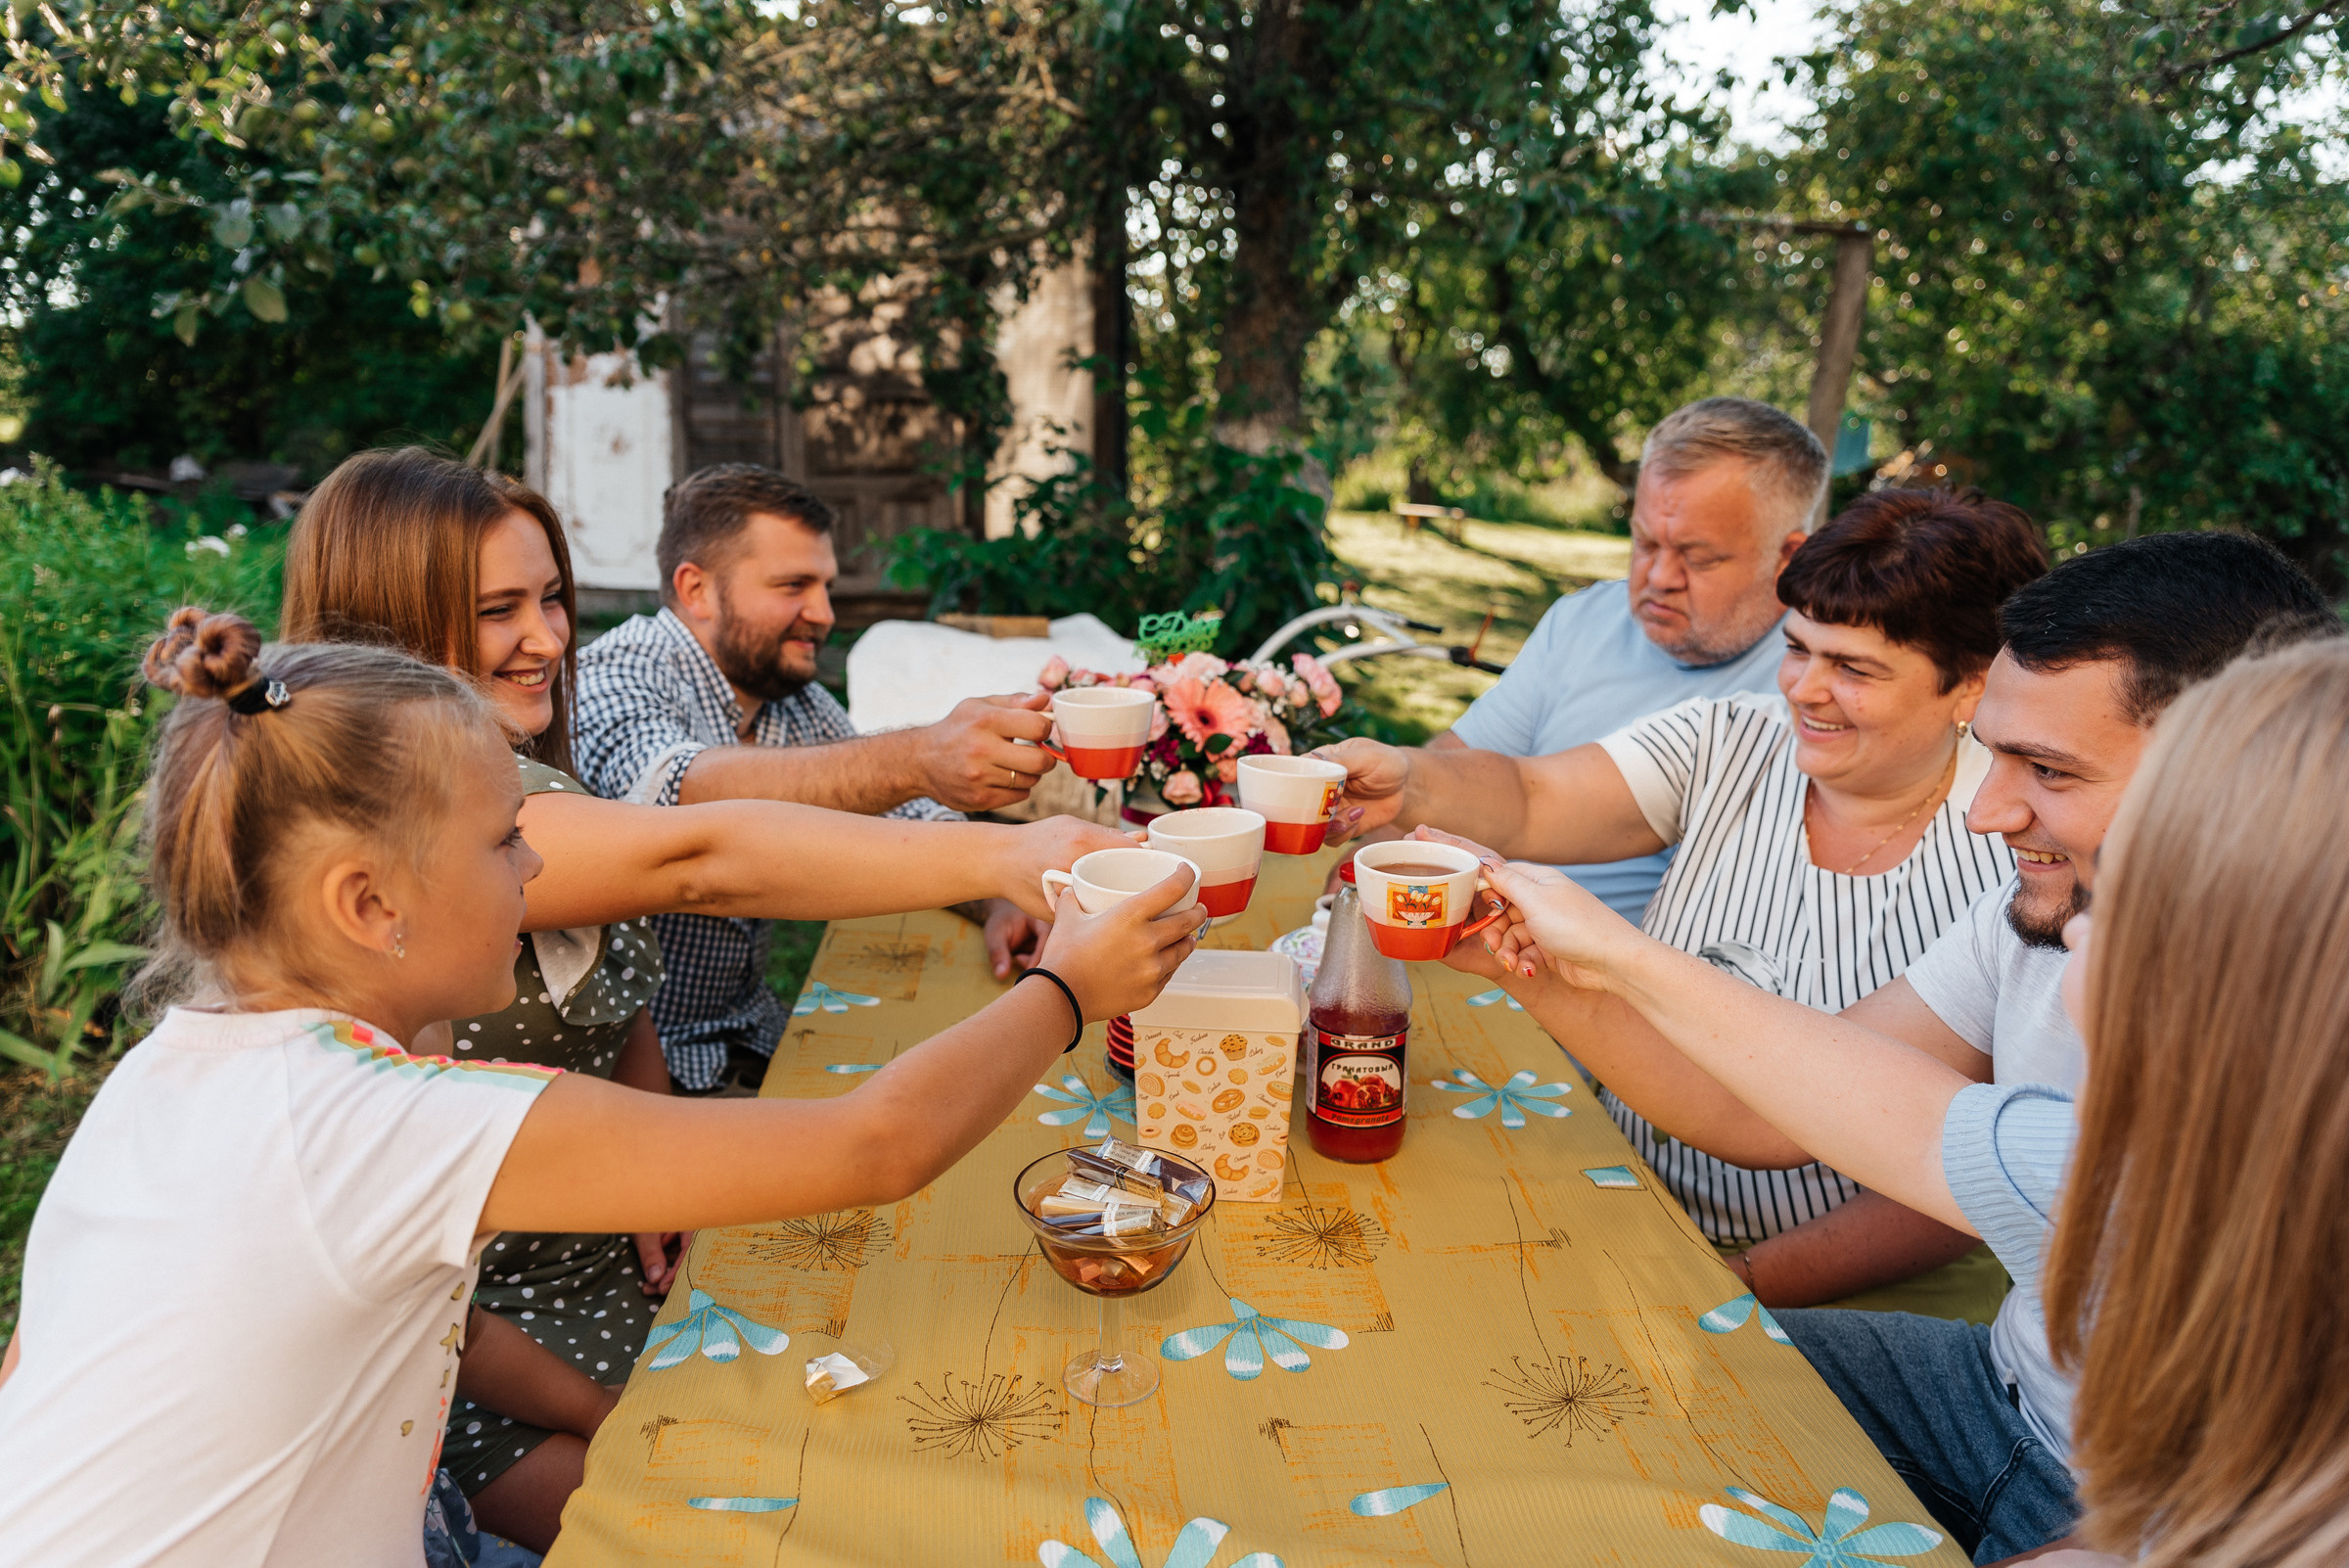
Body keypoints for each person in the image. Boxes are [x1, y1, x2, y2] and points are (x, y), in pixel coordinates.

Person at [0, 611, 1203, 1567]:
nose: (537, 865)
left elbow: (430, 1328)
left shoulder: (167, 1077)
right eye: (505, 839)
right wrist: (1066, 993)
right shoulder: (398, 1125)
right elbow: (872, 1145)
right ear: (370, 907)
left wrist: (622, 1423)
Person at [279, 446, 1136, 1548]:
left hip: (619, 1235)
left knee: (916, 1351)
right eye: (501, 609)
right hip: (498, 1342)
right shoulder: (436, 846)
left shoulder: (505, 778)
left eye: (552, 599)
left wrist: (657, 1176)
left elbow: (619, 987)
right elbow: (699, 856)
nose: (548, 638)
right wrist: (1015, 881)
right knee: (793, 1502)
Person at [1460, 633, 2349, 1568]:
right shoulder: (2101, 1046)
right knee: (1592, 1377)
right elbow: (1871, 1114)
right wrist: (1567, 961)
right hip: (1995, 1393)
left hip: (2135, 1501)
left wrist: (1613, 952)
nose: (1989, 812)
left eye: (2142, 886)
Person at [1429, 532, 2333, 1323]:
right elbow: (1774, 1106)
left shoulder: (2294, 1029)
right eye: (1798, 649)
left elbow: (1938, 1167)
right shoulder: (2023, 916)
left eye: (2049, 773)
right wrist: (1535, 965)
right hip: (2003, 1390)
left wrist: (1734, 1284)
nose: (1990, 813)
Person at [1323, 488, 2048, 1317]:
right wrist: (1411, 783)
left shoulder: (2019, 858)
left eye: (1853, 669)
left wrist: (1745, 1282)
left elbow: (1960, 1176)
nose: (1805, 691)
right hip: (1637, 1201)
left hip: (1857, 1297)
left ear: (1973, 686)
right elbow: (1528, 795)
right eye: (1796, 647)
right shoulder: (1732, 739)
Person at [571, 464, 1068, 1093]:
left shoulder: (784, 694)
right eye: (793, 586)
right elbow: (668, 795)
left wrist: (998, 898)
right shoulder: (616, 671)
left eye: (825, 586)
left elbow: (902, 813)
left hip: (749, 1033)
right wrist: (919, 757)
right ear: (695, 589)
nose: (824, 613)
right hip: (627, 1077)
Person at [1344, 396, 1827, 924]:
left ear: (1789, 556)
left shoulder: (1817, 691)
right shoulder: (1584, 620)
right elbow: (1462, 766)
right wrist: (1351, 888)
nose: (1659, 577)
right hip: (1487, 950)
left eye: (1699, 557)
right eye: (1644, 542)